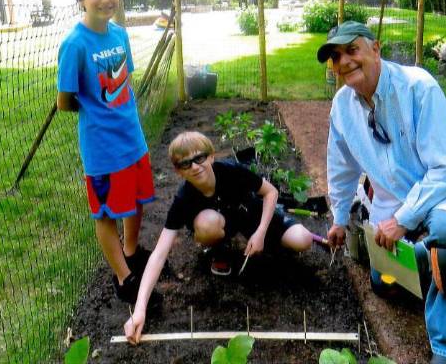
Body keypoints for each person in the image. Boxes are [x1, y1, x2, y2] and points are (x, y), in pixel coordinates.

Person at [318, 21, 446, 364]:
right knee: (384, 282)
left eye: (352, 50)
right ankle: (438, 261)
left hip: (443, 196)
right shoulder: (342, 106)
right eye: (335, 57)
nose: (344, 62)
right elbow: (342, 166)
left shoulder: (417, 87)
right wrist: (338, 218)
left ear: (375, 48)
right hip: (392, 206)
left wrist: (405, 219)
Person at [123, 131, 315, 344]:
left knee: (303, 240)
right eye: (186, 164)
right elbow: (159, 255)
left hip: (251, 214)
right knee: (207, 223)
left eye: (199, 158)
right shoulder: (183, 199)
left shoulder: (232, 171)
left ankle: (269, 244)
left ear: (211, 156)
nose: (195, 166)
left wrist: (260, 232)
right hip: (221, 225)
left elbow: (271, 192)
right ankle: (218, 249)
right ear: (179, 171)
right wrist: (140, 310)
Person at [57, 0, 155, 303]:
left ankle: (132, 252)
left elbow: (124, 81)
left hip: (133, 139)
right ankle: (124, 278)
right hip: (102, 148)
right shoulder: (75, 44)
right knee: (106, 212)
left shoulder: (119, 34)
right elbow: (64, 102)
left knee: (137, 200)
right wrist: (97, 113)